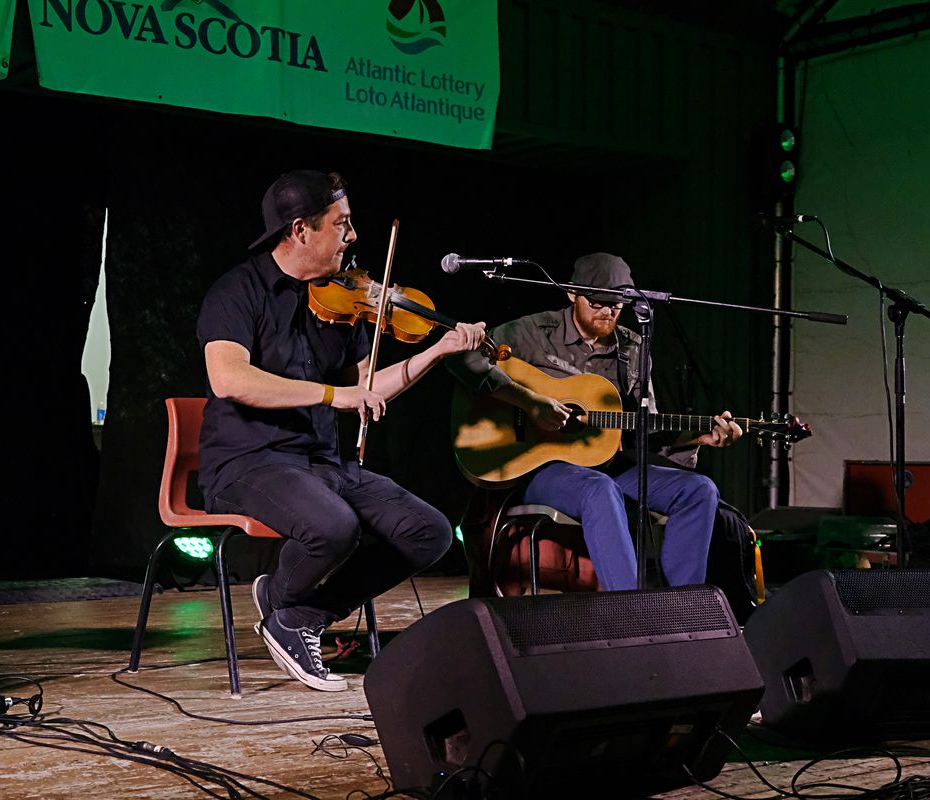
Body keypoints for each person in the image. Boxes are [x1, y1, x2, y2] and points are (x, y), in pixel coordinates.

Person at [197, 170, 487, 691]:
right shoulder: (237, 291)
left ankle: (296, 613)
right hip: (247, 461)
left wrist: (437, 351)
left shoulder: (341, 302)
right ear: (300, 230)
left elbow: (367, 387)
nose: (353, 236)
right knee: (334, 527)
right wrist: (332, 395)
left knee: (430, 531)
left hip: (321, 463)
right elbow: (229, 379)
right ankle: (287, 607)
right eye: (341, 223)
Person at [448, 253, 744, 597]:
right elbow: (463, 359)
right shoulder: (533, 332)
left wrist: (696, 438)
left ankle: (681, 608)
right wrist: (530, 403)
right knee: (598, 489)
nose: (608, 311)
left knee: (699, 490)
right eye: (598, 302)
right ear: (572, 293)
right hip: (539, 467)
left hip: (607, 464)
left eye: (617, 304)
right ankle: (631, 609)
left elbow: (645, 430)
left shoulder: (634, 348)